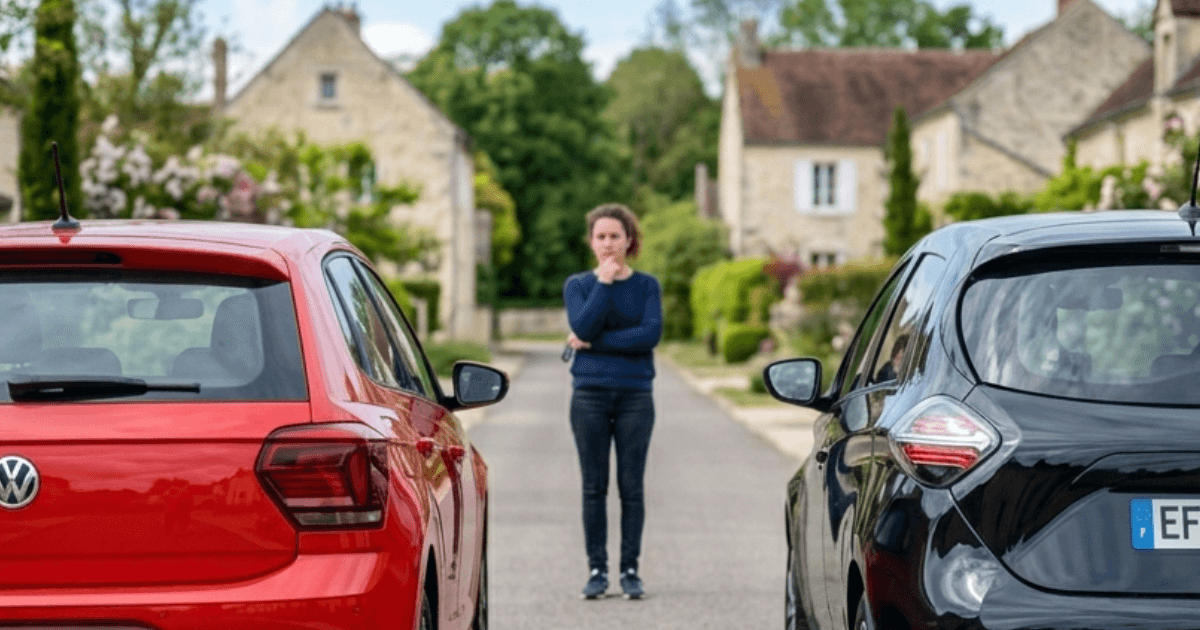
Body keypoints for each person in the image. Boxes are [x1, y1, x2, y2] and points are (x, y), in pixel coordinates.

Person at [563, 203, 663, 600]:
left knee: (631, 487)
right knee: (594, 487)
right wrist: (603, 284)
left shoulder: (647, 286)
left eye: (615, 236)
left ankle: (631, 570)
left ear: (629, 241)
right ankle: (597, 569)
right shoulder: (579, 285)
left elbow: (650, 335)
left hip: (636, 396)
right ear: (591, 242)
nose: (608, 243)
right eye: (601, 237)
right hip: (588, 396)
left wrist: (594, 345)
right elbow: (582, 325)